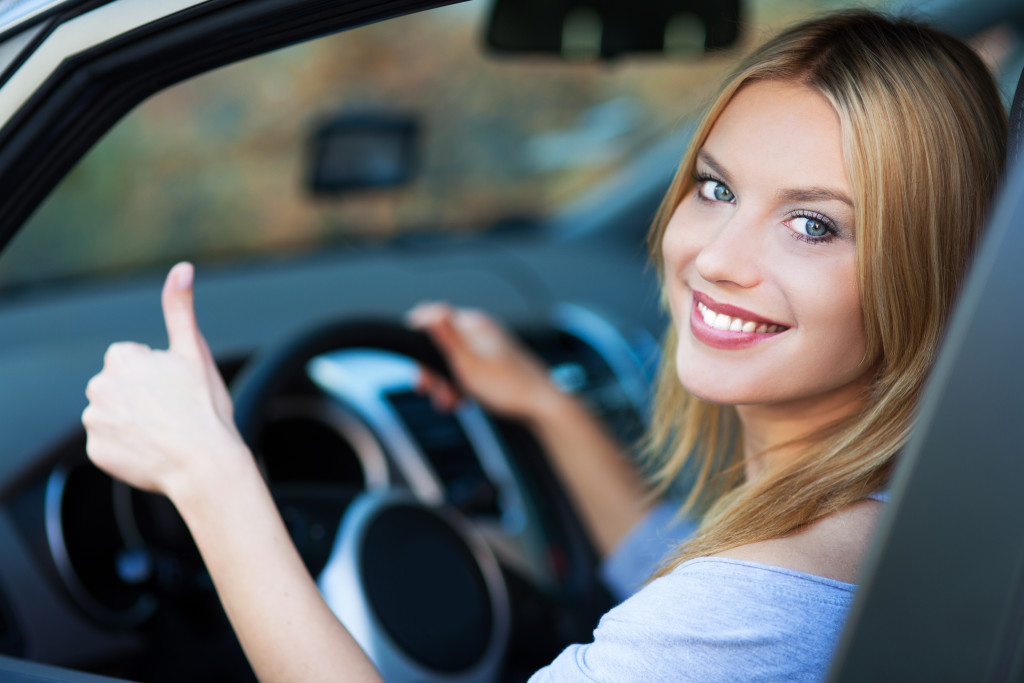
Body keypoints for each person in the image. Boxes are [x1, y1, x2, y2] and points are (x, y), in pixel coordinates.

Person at [81, 9, 1008, 682]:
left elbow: (723, 605)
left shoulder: (776, 599)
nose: (716, 260)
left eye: (812, 225)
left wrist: (211, 475)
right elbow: (684, 571)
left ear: (925, 270)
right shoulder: (881, 524)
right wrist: (545, 405)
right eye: (717, 189)